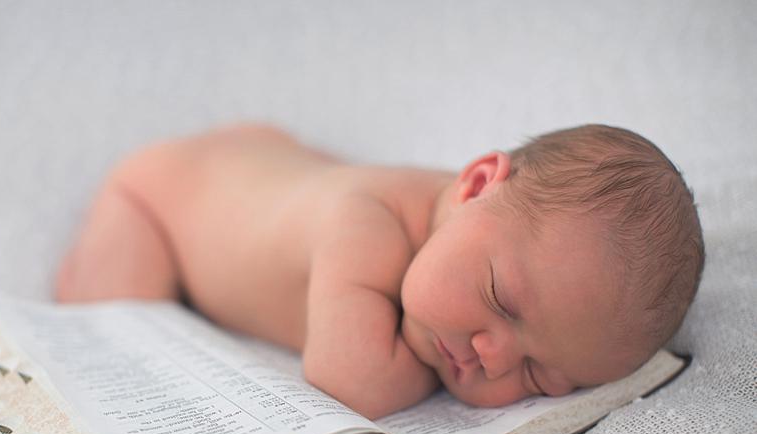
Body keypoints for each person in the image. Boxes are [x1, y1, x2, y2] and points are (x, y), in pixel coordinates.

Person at [54, 123, 704, 419]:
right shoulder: (364, 220)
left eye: (542, 375)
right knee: (116, 326)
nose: (494, 359)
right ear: (477, 182)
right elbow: (350, 381)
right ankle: (85, 263)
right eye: (501, 300)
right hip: (162, 198)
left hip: (255, 157)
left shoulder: (470, 229)